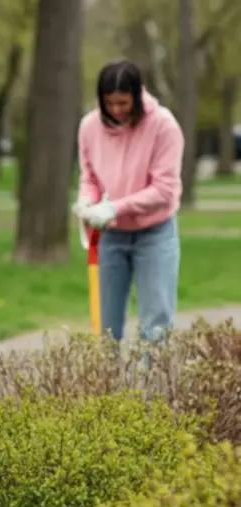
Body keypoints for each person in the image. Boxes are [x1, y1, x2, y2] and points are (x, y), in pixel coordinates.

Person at [73, 59, 184, 344]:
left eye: (123, 102)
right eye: (109, 103)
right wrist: (87, 202)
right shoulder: (89, 126)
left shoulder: (163, 126)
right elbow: (91, 177)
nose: (117, 110)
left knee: (156, 324)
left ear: (137, 95)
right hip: (110, 235)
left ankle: (153, 389)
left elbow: (165, 190)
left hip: (155, 233)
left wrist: (115, 207)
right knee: (105, 327)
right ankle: (107, 386)